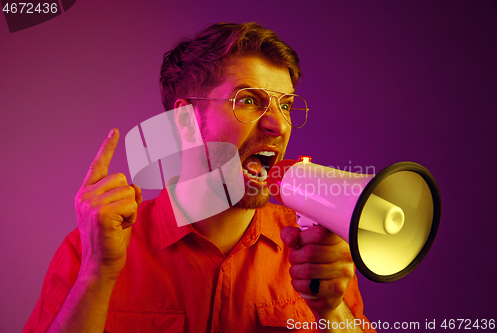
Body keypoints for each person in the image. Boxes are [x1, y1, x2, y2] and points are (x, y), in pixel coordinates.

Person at [23, 22, 375, 332]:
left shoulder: (317, 251)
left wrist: (331, 312)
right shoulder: (91, 249)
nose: (279, 125)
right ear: (186, 121)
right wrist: (96, 276)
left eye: (285, 105)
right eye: (249, 100)